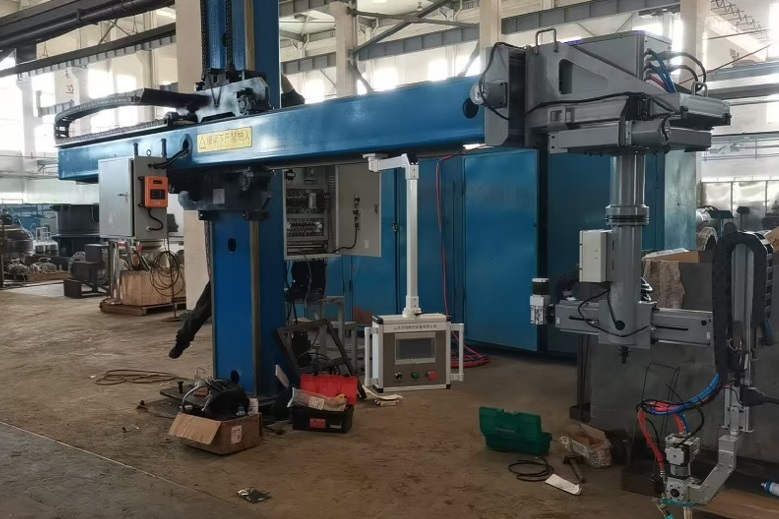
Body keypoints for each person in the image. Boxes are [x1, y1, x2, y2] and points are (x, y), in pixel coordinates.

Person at [169, 77, 305, 359]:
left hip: (263, 222)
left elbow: (296, 105)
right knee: (217, 290)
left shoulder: (275, 120)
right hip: (235, 218)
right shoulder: (218, 134)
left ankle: (186, 339)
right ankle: (184, 339)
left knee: (228, 292)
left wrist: (281, 82)